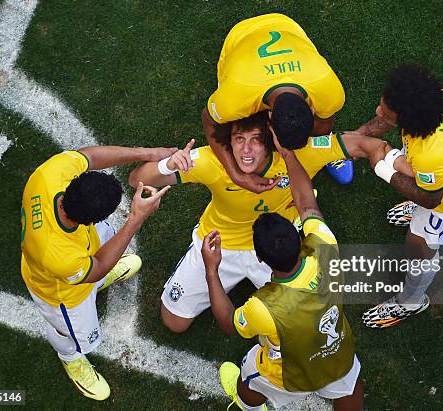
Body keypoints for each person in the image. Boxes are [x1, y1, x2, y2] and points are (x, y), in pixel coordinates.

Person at [129, 111, 384, 333]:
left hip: (277, 244)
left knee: (308, 318)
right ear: (228, 142)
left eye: (256, 140)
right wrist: (166, 165)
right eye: (239, 139)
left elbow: (364, 145)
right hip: (220, 243)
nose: (246, 150)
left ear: (271, 142)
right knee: (174, 322)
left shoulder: (300, 153)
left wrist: (391, 164)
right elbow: (137, 178)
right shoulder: (210, 161)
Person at [200, 130, 363, 410]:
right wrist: (287, 153)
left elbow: (229, 323)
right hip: (338, 354)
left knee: (249, 377)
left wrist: (212, 270)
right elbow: (307, 203)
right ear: (300, 239)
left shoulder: (261, 309)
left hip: (286, 375)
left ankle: (248, 406)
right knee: (349, 386)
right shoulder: (325, 245)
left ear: (261, 259)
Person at [21, 145, 175, 400]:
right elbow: (97, 267)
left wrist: (146, 154)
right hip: (63, 294)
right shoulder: (59, 256)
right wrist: (136, 218)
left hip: (77, 260)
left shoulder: (49, 175)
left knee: (100, 260)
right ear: (90, 221)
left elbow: (90, 157)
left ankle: (100, 283)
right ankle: (70, 358)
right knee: (68, 330)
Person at [353, 64, 443, 328]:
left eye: (386, 112)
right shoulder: (434, 97)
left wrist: (383, 168)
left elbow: (430, 199)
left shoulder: (430, 153)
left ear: (409, 121)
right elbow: (386, 119)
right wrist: (351, 140)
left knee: (417, 246)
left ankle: (411, 301)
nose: (378, 112)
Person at [201, 13, 353, 192]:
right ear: (268, 117)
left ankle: (327, 149)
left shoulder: (329, 91)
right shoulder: (234, 98)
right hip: (241, 35)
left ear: (312, 109)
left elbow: (325, 121)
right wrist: (237, 175)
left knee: (322, 125)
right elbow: (208, 118)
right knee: (235, 125)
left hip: (287, 26)